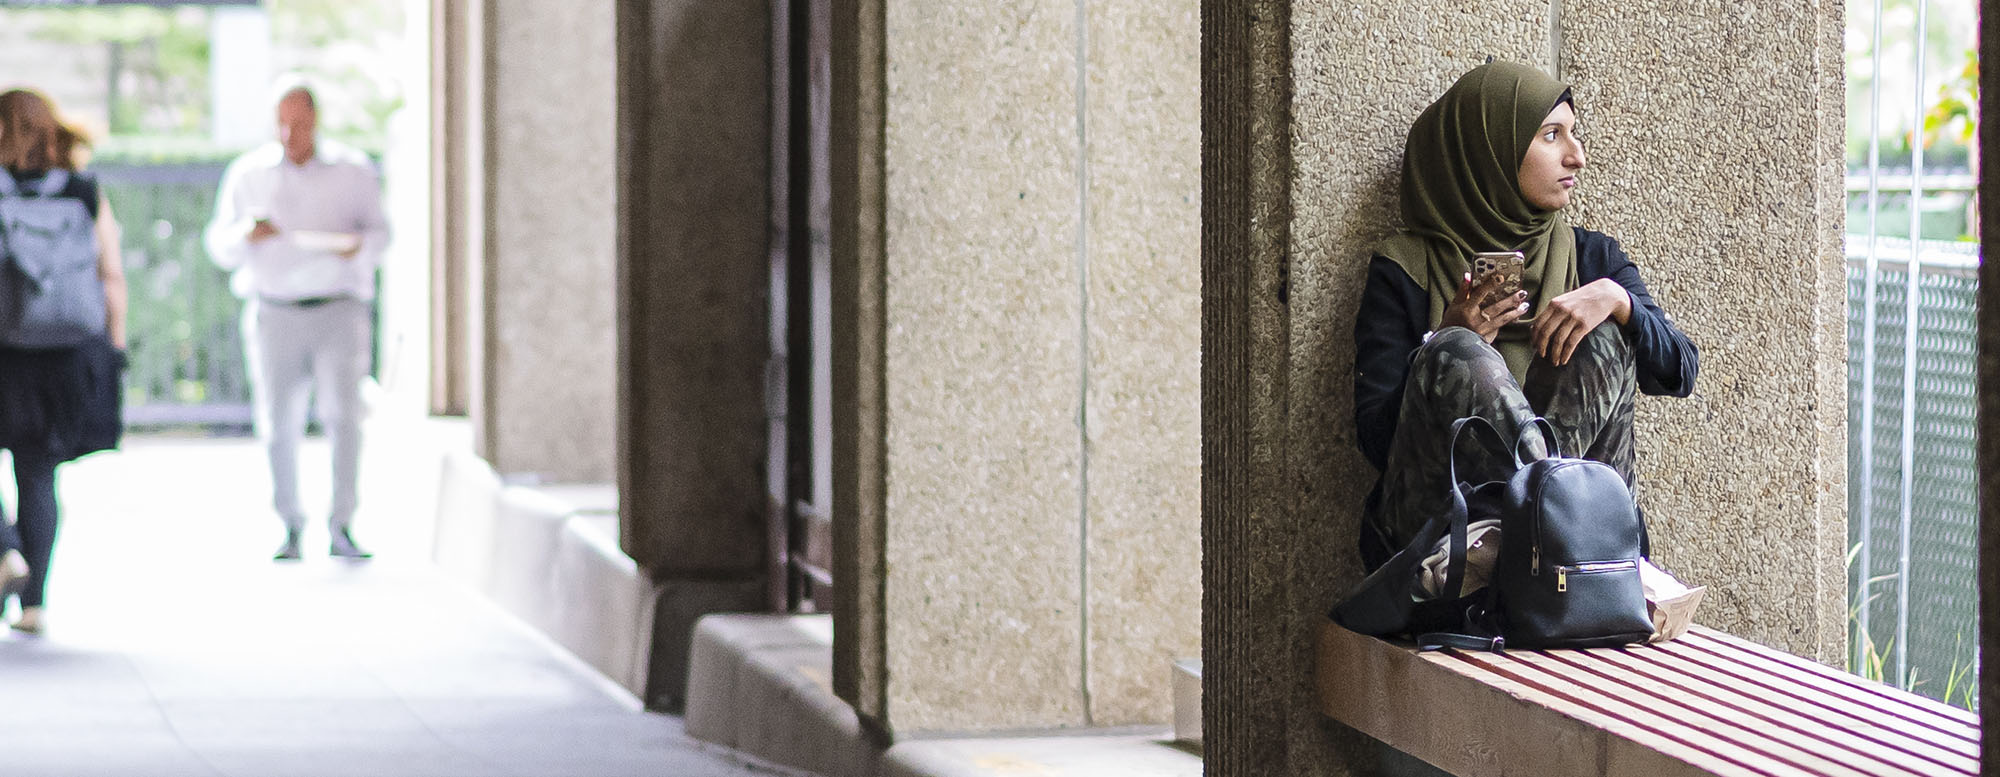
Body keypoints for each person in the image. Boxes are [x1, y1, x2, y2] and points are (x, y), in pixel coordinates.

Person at [1352, 61, 1699, 570]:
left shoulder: (1591, 258)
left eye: (1574, 135)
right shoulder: (1405, 268)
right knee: (1454, 350)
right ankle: (1547, 534)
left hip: (1574, 549)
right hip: (1448, 539)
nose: (1576, 157)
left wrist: (1617, 302)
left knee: (1604, 329)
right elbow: (1376, 440)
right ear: (1489, 151)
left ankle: (1550, 538)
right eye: (1551, 135)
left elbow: (1679, 370)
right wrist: (1444, 343)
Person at [204, 77, 389, 561]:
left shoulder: (352, 172)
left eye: (299, 123)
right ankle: (289, 523)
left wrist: (357, 248)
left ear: (316, 122)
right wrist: (248, 235)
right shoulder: (250, 174)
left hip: (338, 307)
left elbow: (381, 234)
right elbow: (219, 245)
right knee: (278, 421)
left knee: (343, 418)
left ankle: (342, 523)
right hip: (274, 308)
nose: (291, 134)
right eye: (282, 124)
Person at [0, 88, 128, 634]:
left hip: (3, 350)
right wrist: (114, 351)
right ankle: (35, 605)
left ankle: (6, 553)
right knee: (37, 472)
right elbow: (112, 277)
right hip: (66, 353)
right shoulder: (83, 192)